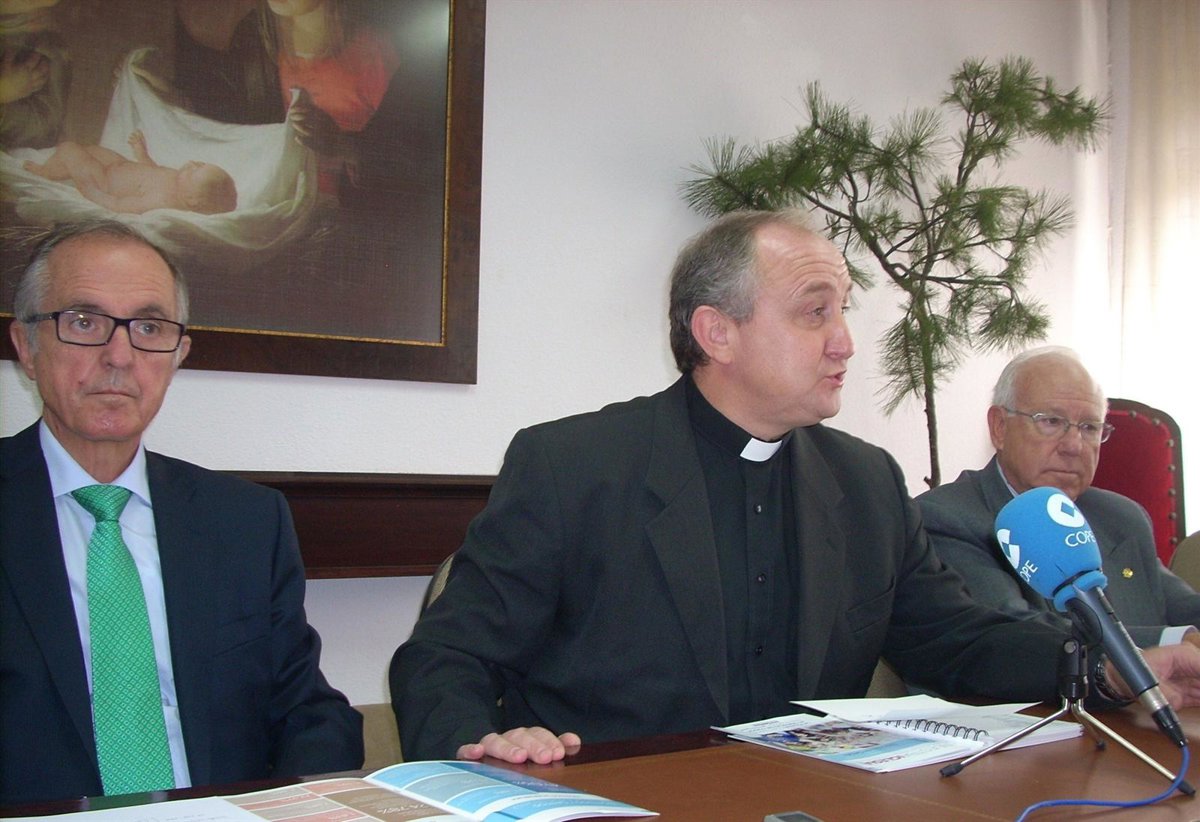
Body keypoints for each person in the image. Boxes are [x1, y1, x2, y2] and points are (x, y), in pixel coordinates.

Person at [389, 210, 1200, 765]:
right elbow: (444, 657)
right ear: (718, 332)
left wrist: (1113, 665)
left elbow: (958, 641)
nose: (846, 342)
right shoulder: (575, 466)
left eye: (844, 311)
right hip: (622, 801)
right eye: (816, 313)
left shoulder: (865, 481)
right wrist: (481, 746)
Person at [0, 220, 362, 804]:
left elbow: (309, 714)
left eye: (148, 328)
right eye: (84, 322)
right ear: (26, 347)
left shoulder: (246, 521)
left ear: (177, 355)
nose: (119, 356)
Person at [917, 346, 1200, 649]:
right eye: (1051, 421)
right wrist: (1174, 640)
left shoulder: (1121, 517)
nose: (1074, 446)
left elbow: (1186, 609)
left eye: (1089, 427)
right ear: (999, 427)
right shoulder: (948, 519)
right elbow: (1018, 635)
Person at [23, 130, 238, 215]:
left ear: (191, 200)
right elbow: (152, 170)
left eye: (194, 171)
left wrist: (95, 194)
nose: (191, 163)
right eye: (200, 163)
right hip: (119, 165)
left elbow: (122, 206)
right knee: (92, 151)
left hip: (104, 183)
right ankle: (61, 170)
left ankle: (47, 172)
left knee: (70, 149)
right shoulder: (177, 179)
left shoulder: (162, 200)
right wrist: (141, 153)